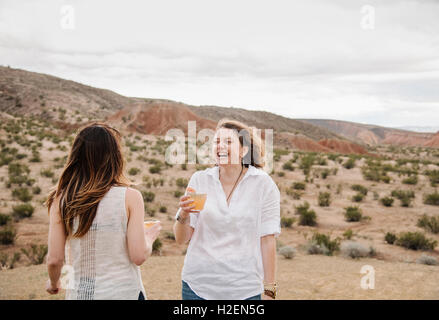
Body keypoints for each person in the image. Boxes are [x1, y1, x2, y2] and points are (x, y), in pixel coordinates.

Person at [45, 122, 161, 300]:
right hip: (124, 293)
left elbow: (54, 259)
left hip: (81, 295)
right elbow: (138, 256)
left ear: (76, 156)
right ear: (115, 156)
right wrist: (149, 237)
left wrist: (53, 283)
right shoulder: (130, 197)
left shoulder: (61, 199)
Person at [173, 119, 280, 300]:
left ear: (244, 150)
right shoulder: (200, 180)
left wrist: (270, 290)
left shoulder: (263, 184)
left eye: (228, 142)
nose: (220, 146)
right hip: (197, 288)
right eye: (216, 142)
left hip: (244, 290)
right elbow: (181, 239)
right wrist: (184, 214)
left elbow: (267, 240)